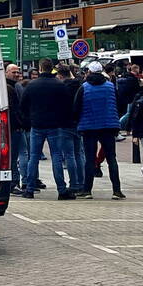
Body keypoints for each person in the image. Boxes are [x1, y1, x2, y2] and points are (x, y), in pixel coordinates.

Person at [19, 58, 80, 200]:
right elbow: (67, 105)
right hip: (55, 125)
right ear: (51, 68)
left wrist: (30, 119)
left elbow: (23, 105)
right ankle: (62, 189)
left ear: (40, 68)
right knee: (57, 157)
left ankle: (29, 188)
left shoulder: (32, 85)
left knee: (33, 157)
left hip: (37, 125)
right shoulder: (59, 85)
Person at [75, 61, 125, 199]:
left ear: (89, 72)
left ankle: (87, 190)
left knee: (89, 159)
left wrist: (78, 122)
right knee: (111, 158)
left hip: (89, 127)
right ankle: (117, 190)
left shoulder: (84, 87)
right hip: (109, 126)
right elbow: (120, 104)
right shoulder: (110, 86)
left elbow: (76, 107)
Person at [56, 63, 88, 198]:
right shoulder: (81, 87)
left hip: (64, 123)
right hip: (79, 123)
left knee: (69, 155)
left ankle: (74, 184)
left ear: (60, 75)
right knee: (79, 154)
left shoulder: (61, 88)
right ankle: (82, 183)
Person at [5, 64, 29, 195]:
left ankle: (22, 181)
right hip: (14, 127)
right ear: (6, 72)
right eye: (13, 72)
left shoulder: (16, 86)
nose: (16, 74)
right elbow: (14, 110)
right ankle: (14, 183)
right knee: (14, 157)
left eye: (18, 72)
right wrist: (20, 123)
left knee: (22, 154)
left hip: (18, 127)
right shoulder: (8, 88)